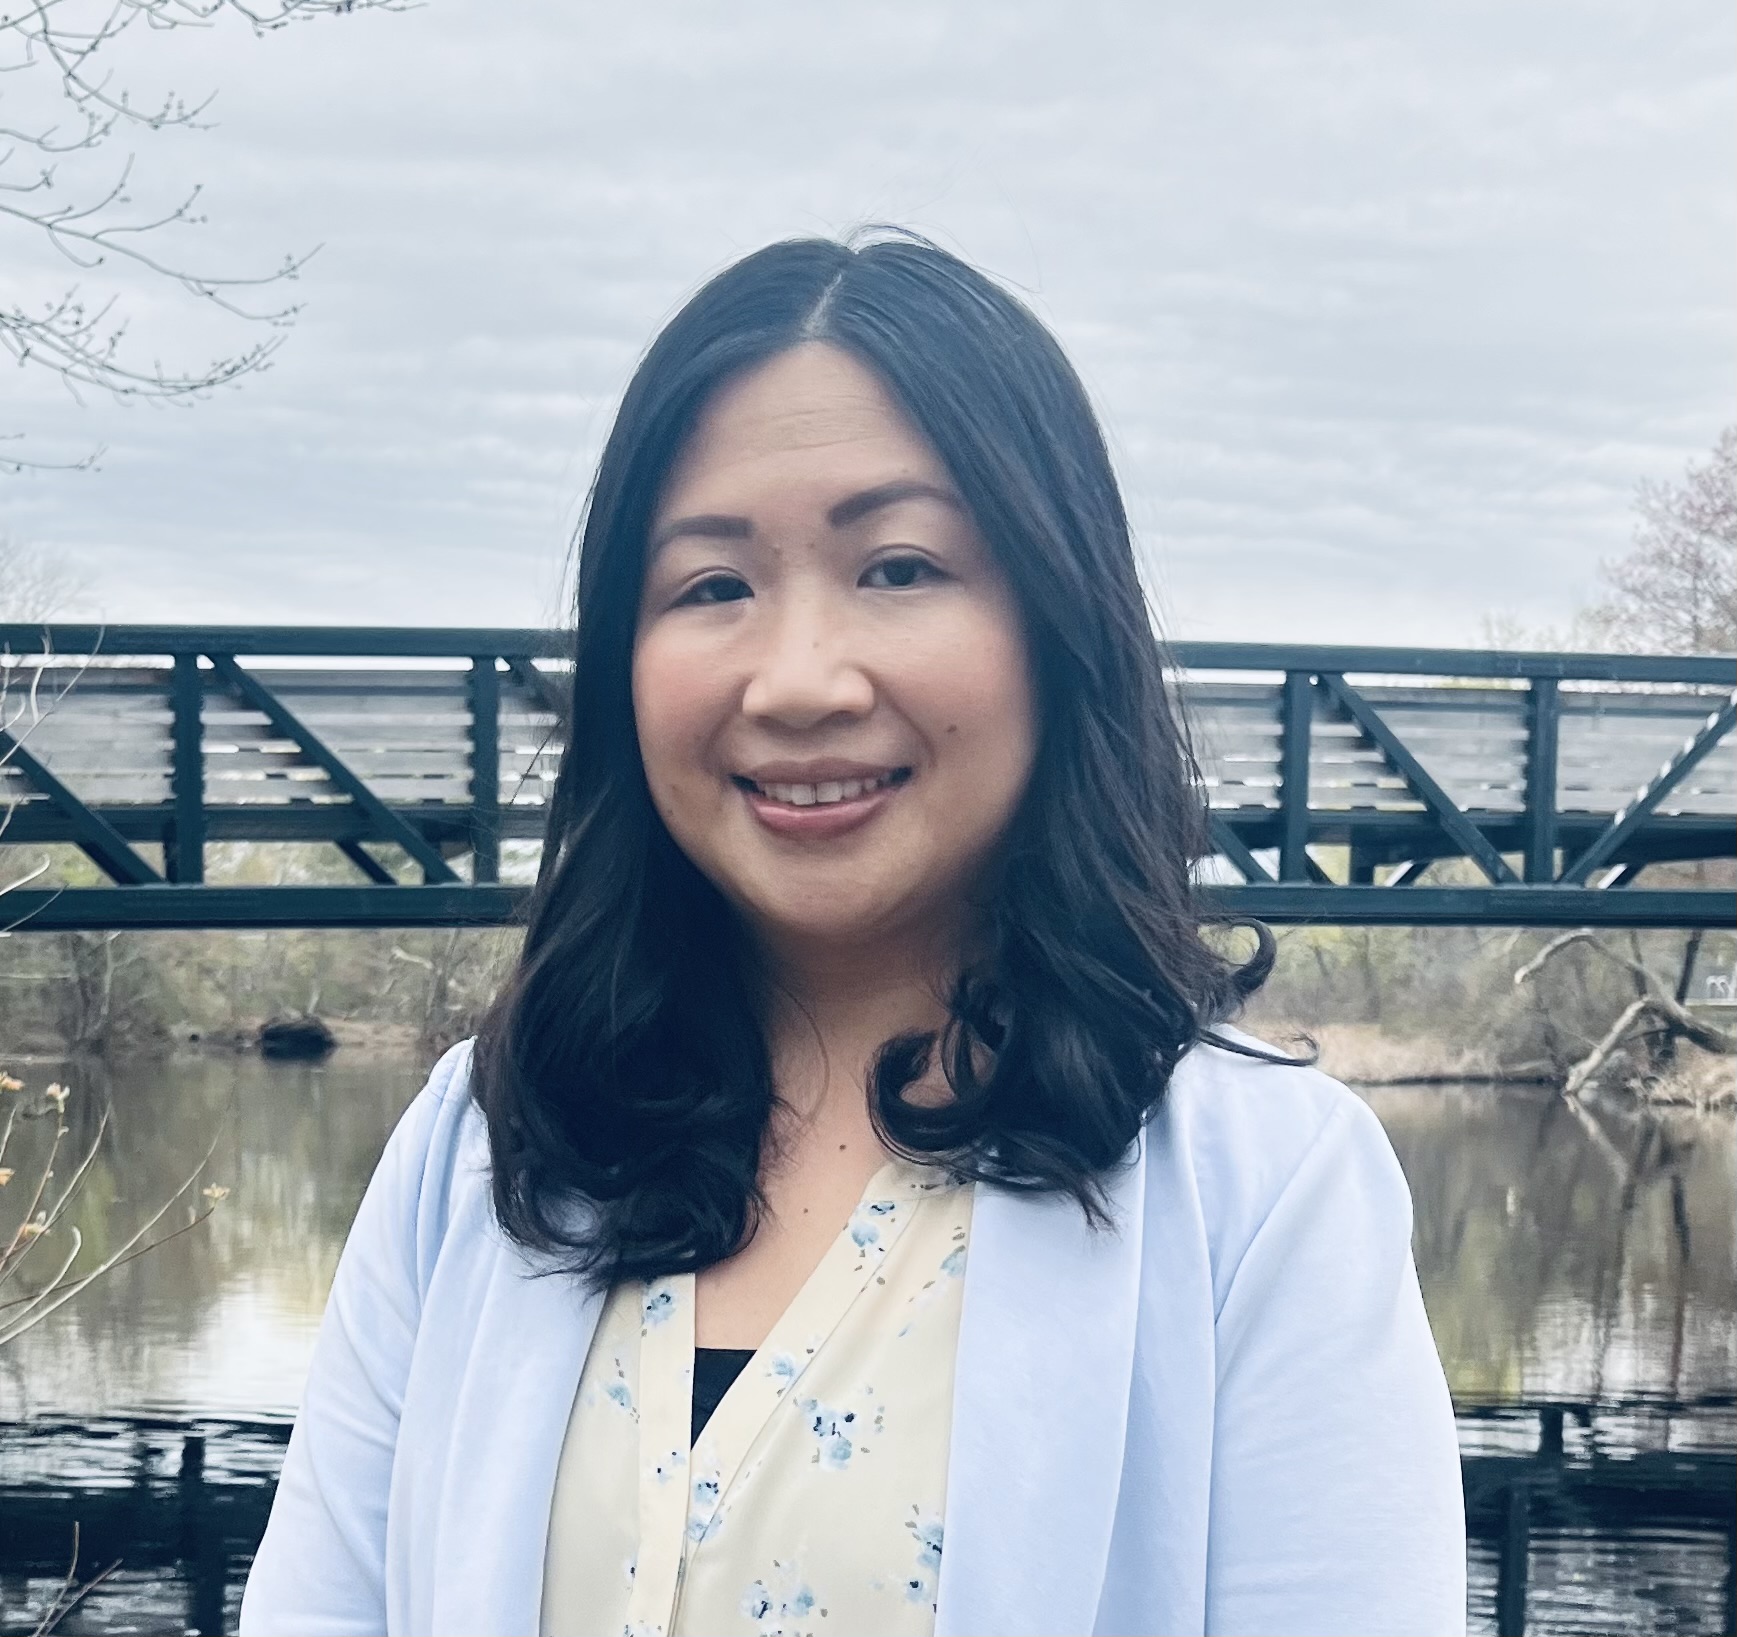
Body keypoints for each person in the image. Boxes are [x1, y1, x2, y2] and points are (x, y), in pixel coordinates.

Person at [240, 232, 1465, 1637]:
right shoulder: (483, 1144)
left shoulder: (1264, 1192)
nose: (798, 681)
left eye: (897, 566)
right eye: (712, 585)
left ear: (1055, 620)